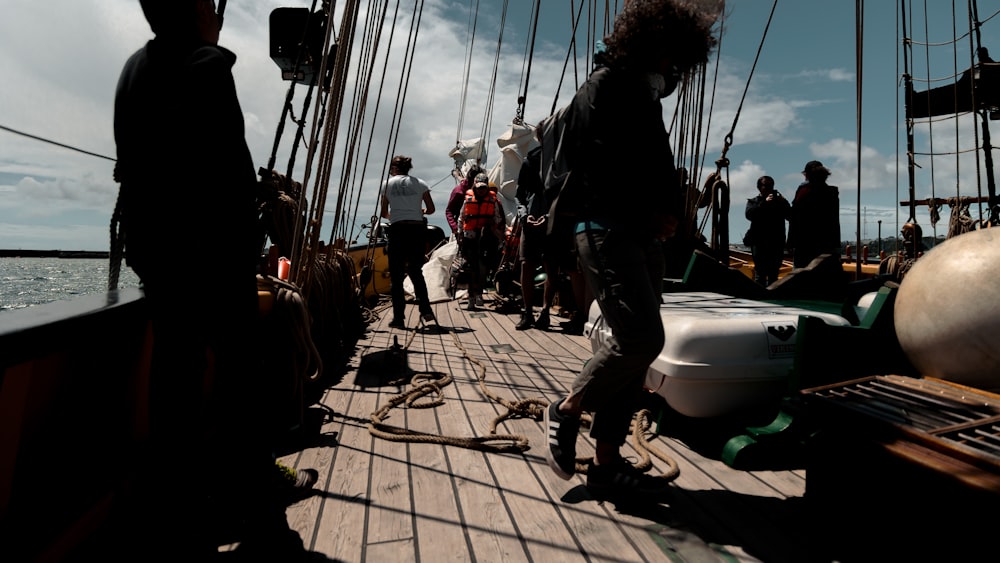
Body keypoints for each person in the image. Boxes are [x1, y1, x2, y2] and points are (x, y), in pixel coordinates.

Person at [112, 0, 315, 557]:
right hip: (212, 264)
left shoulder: (133, 70)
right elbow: (231, 176)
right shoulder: (205, 65)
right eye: (210, 4)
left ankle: (180, 527)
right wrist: (245, 246)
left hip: (160, 262)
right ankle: (262, 526)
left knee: (173, 388)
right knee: (243, 391)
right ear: (196, 11)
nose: (218, 14)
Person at [542, 0, 720, 497]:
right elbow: (590, 169)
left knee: (635, 353)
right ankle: (567, 408)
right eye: (670, 58)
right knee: (640, 339)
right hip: (607, 231)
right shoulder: (604, 87)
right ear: (651, 46)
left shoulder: (647, 92)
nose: (674, 71)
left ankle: (604, 462)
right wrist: (646, 215)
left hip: (643, 237)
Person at [380, 155, 437, 328]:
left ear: (394, 169)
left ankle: (399, 319)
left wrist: (396, 215)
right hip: (417, 229)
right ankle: (426, 310)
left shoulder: (387, 184)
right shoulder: (420, 183)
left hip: (398, 230)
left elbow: (384, 213)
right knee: (415, 271)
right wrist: (421, 211)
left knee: (396, 277)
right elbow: (432, 209)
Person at [514, 145, 557, 330]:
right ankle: (528, 311)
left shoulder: (559, 163)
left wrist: (548, 217)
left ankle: (546, 311)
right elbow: (519, 195)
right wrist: (524, 215)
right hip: (529, 222)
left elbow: (562, 195)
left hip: (552, 223)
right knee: (526, 264)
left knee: (551, 265)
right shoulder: (529, 163)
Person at [459, 172, 506, 310]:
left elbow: (498, 218)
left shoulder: (493, 200)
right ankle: (471, 297)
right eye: (479, 187)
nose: (481, 190)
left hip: (487, 237)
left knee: (483, 267)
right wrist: (459, 234)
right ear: (474, 185)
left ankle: (479, 293)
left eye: (483, 187)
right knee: (470, 267)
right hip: (470, 237)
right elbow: (461, 217)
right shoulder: (467, 199)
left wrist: (492, 224)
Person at [786, 160, 842, 268]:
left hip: (805, 244)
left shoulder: (804, 192)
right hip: (828, 243)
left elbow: (794, 217)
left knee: (801, 277)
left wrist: (783, 204)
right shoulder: (831, 193)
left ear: (806, 175)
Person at [744, 175, 790, 286]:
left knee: (774, 273)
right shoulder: (754, 202)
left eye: (771, 186)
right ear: (759, 187)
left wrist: (784, 202)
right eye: (766, 186)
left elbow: (790, 216)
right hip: (759, 242)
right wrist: (764, 203)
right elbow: (750, 215)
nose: (769, 188)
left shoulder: (779, 202)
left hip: (776, 242)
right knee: (760, 272)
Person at [446, 165, 484, 237]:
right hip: (464, 231)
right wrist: (455, 228)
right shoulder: (458, 192)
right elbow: (449, 211)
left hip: (482, 231)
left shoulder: (483, 190)